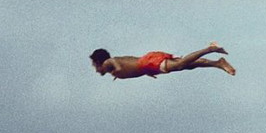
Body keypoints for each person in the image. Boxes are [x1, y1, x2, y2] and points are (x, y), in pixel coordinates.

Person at [90, 42, 236, 79]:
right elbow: (131, 62)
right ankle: (217, 63)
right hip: (147, 64)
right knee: (186, 65)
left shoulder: (108, 63)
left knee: (181, 64)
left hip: (147, 63)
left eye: (94, 65)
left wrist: (118, 71)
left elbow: (117, 64)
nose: (96, 70)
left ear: (98, 62)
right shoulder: (116, 62)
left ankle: (210, 49)